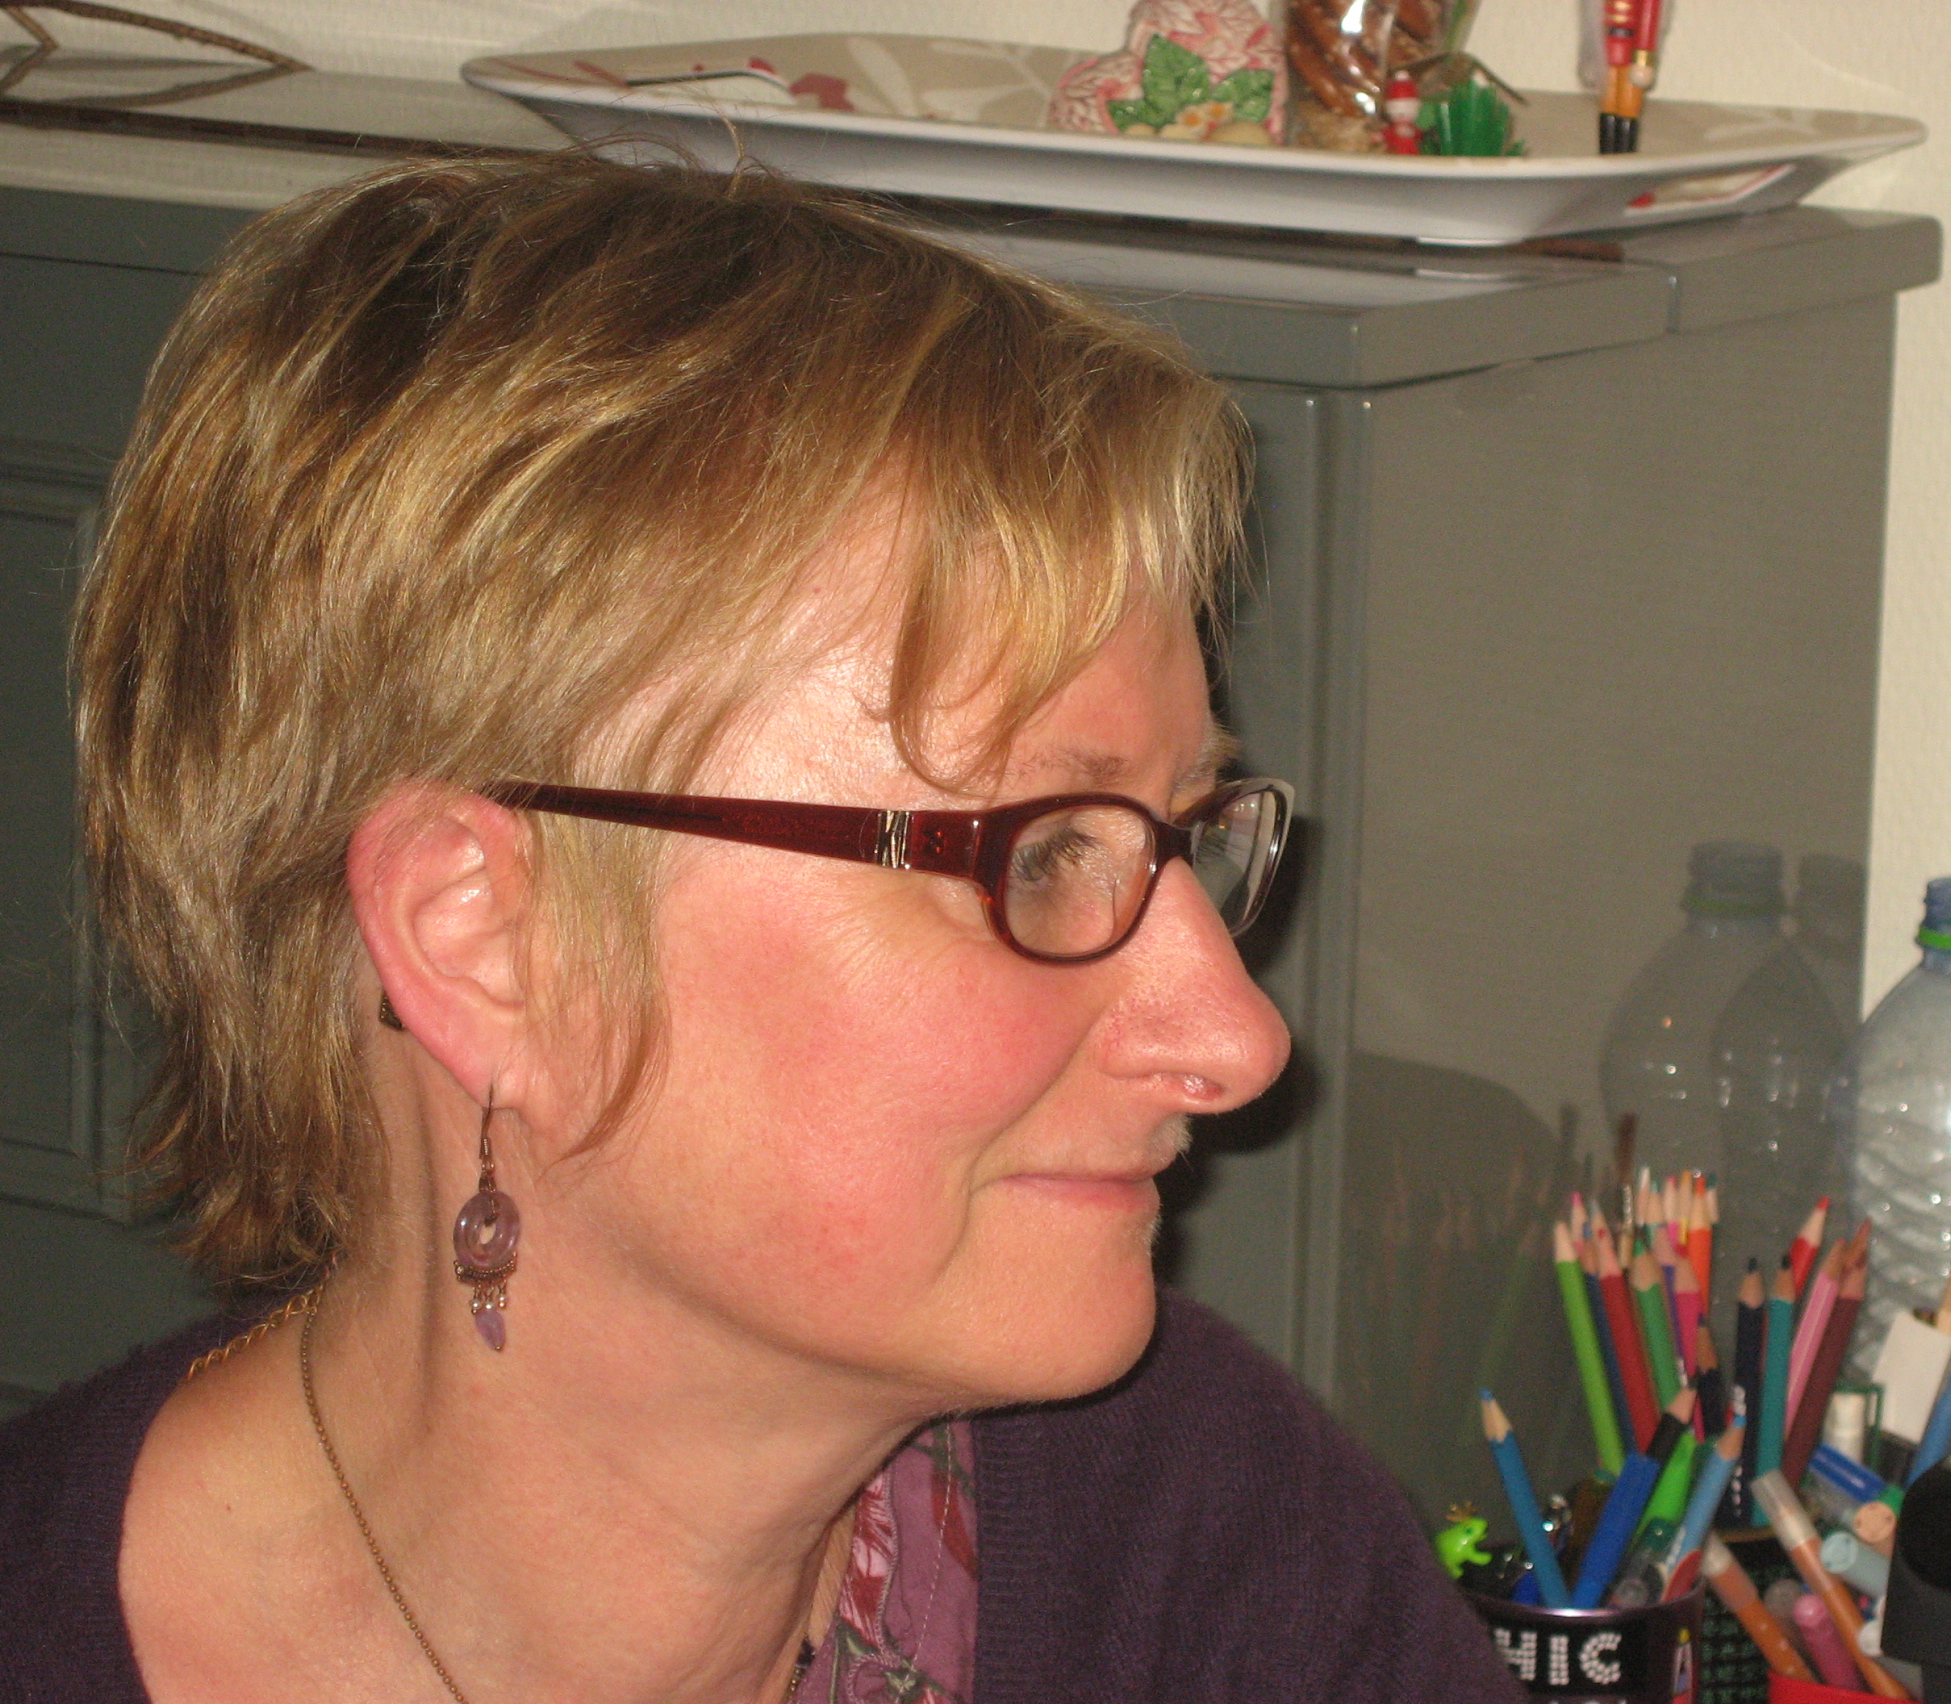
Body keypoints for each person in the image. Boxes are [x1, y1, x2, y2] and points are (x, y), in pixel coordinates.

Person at [0, 153, 1520, 1703]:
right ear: (484, 940)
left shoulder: (1201, 1533)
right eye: (1041, 855)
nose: (1239, 1040)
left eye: (1183, 834)